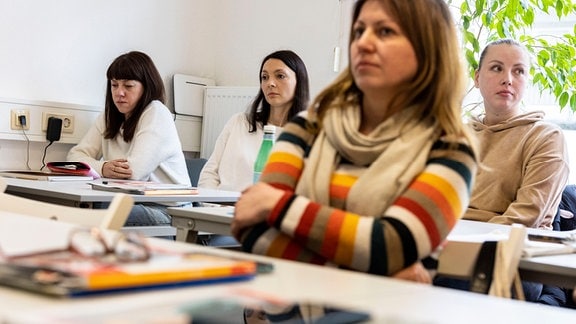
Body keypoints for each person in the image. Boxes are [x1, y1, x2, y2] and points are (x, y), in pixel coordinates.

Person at [230, 0, 478, 282]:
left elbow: (392, 245)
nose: (364, 43)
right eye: (359, 31)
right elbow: (254, 230)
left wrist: (278, 206)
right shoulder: (306, 129)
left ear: (427, 47)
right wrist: (375, 276)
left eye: (385, 31)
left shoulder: (451, 149)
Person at [434, 39, 570, 305]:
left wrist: (453, 249)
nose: (508, 79)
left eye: (519, 71)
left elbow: (524, 218)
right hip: (446, 246)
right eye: (496, 68)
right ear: (477, 77)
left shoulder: (545, 137)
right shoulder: (456, 136)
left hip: (512, 259)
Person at [197, 49, 310, 247]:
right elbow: (209, 174)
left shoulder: (306, 135)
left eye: (280, 76)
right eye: (264, 77)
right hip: (218, 217)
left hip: (264, 227)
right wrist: (213, 208)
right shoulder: (240, 122)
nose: (270, 83)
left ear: (298, 81)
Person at [67, 51, 191, 228]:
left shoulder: (157, 112)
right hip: (130, 201)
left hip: (168, 210)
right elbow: (74, 156)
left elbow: (133, 173)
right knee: (74, 207)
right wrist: (102, 167)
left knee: (97, 211)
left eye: (128, 86)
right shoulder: (109, 117)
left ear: (146, 87)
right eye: (114, 85)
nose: (119, 93)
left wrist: (97, 168)